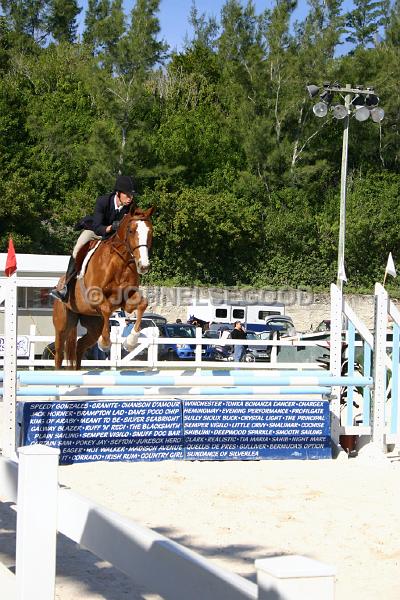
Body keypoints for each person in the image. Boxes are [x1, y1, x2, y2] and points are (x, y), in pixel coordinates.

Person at [50, 175, 136, 302]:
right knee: (77, 249)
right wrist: (112, 227)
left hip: (113, 236)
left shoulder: (130, 207)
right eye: (127, 195)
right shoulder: (103, 201)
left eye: (132, 196)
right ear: (118, 193)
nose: (130, 199)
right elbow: (97, 227)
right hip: (95, 231)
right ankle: (65, 286)